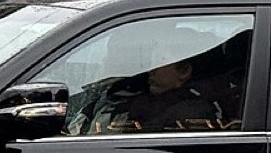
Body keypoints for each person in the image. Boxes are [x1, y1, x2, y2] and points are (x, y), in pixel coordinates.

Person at [72, 58, 222, 135]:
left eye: (160, 61)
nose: (151, 69)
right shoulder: (126, 96)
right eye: (151, 61)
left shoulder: (191, 114)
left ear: (184, 71)